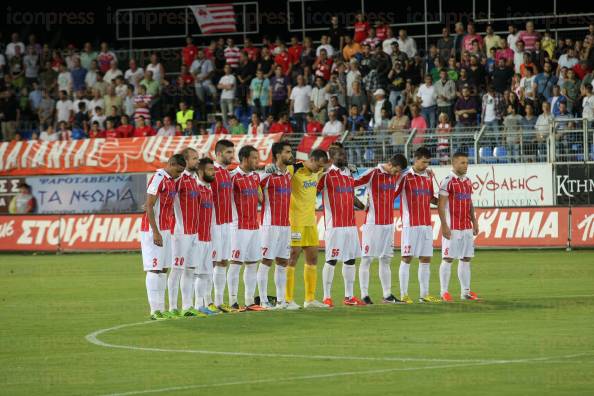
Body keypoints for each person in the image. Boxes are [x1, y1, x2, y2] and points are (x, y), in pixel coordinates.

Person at [167, 149, 217, 318]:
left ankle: (187, 306)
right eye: (194, 158)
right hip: (180, 233)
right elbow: (168, 199)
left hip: (194, 233)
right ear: (185, 161)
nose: (197, 161)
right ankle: (173, 307)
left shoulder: (194, 180)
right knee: (176, 270)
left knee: (189, 270)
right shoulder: (179, 180)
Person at [355, 154, 409, 304]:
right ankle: (364, 295)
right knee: (366, 259)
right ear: (390, 164)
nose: (397, 174)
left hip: (388, 224)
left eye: (399, 172)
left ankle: (387, 295)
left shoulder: (394, 176)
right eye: (396, 170)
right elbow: (350, 184)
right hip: (372, 224)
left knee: (385, 259)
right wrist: (360, 204)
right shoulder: (373, 173)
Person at [318, 145, 366, 307]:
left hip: (350, 225)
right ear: (331, 158)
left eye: (344, 154)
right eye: (340, 155)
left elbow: (351, 196)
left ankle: (349, 296)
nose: (344, 157)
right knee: (331, 260)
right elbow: (312, 191)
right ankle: (326, 296)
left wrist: (363, 206)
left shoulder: (349, 174)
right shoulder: (326, 176)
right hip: (335, 226)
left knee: (350, 260)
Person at [140, 154, 186, 320]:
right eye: (177, 171)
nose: (179, 175)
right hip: (153, 230)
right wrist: (155, 231)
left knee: (163, 268)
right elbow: (149, 205)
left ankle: (161, 308)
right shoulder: (158, 178)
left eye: (181, 172)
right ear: (171, 164)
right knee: (154, 268)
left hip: (166, 229)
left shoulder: (172, 181)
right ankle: (154, 310)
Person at [396, 147, 440, 304]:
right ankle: (404, 294)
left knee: (425, 259)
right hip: (410, 225)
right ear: (415, 159)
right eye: (423, 162)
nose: (426, 165)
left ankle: (424, 295)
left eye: (428, 162)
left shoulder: (428, 177)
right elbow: (392, 194)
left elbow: (430, 198)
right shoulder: (405, 177)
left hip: (426, 224)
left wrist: (443, 199)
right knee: (407, 258)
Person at [438, 152, 480, 302]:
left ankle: (465, 292)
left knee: (466, 258)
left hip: (466, 226)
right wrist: (444, 226)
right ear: (454, 163)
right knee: (448, 258)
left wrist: (474, 221)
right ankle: (444, 292)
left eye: (467, 163)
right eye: (462, 163)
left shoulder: (468, 181)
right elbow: (440, 205)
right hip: (452, 227)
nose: (465, 165)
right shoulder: (447, 181)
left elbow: (469, 202)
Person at [227, 146, 266, 311]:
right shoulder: (232, 177)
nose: (257, 161)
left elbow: (260, 199)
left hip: (254, 226)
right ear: (244, 159)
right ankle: (232, 301)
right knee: (235, 263)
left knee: (252, 264)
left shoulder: (255, 177)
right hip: (238, 227)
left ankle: (250, 301)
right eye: (254, 158)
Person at [257, 142, 294, 309]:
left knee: (283, 262)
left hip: (285, 226)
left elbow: (308, 164)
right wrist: (264, 169)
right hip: (269, 225)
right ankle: (264, 301)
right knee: (266, 261)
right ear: (278, 155)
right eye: (287, 152)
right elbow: (252, 181)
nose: (290, 155)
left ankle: (281, 301)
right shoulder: (267, 176)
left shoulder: (288, 174)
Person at [211, 140, 235, 313]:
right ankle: (206, 301)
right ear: (218, 154)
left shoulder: (227, 173)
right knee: (210, 263)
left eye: (232, 152)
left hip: (226, 223)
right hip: (213, 224)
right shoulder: (210, 172)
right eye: (228, 152)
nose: (231, 156)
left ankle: (219, 301)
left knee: (222, 262)